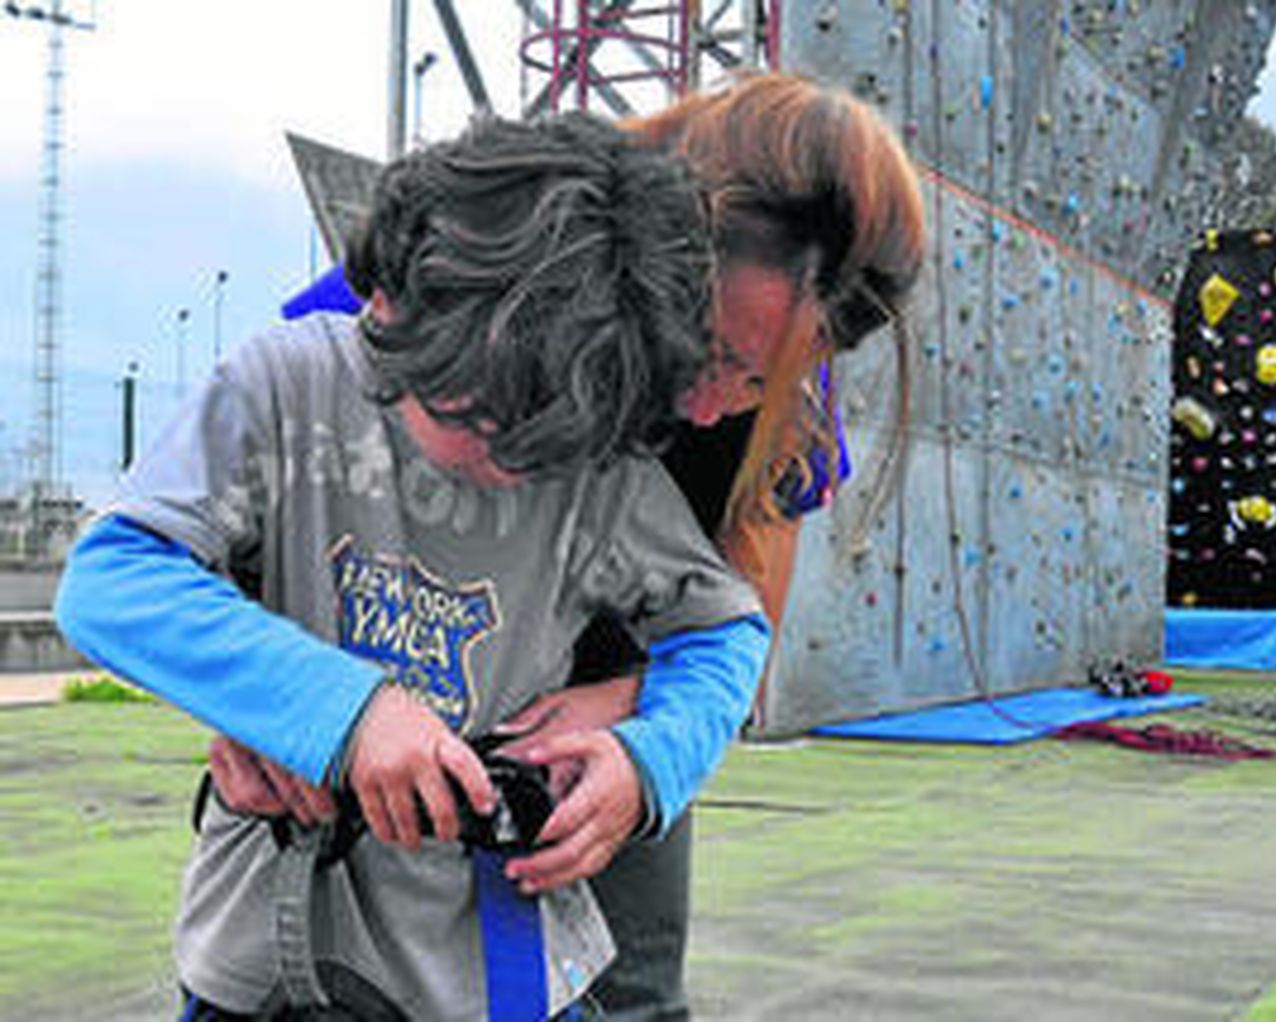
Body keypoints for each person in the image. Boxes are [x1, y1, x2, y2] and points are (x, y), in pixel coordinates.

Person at [204, 73, 928, 1020]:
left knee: (631, 992)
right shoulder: (487, 232)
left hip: (602, 718)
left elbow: (740, 617)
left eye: (761, 380)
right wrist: (266, 697)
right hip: (389, 664)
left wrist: (637, 731)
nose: (710, 407)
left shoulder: (787, 343)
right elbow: (258, 456)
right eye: (707, 352)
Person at [56, 110, 775, 1021]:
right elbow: (113, 580)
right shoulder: (289, 388)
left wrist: (649, 763)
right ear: (396, 303)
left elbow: (726, 631)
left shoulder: (594, 464)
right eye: (481, 413)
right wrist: (341, 713)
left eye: (546, 440)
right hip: (273, 952)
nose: (510, 462)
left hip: (501, 963)